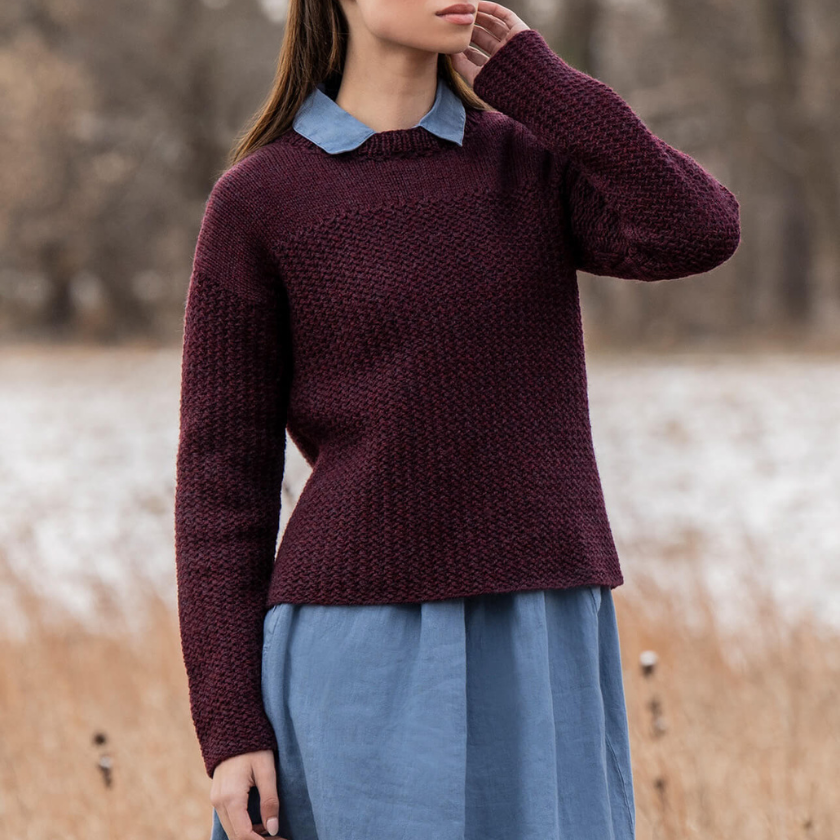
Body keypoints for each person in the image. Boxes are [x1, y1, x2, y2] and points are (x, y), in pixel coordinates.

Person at [173, 1, 741, 839]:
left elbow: (698, 228)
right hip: (359, 644)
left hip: (539, 633)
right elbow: (221, 486)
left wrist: (540, 84)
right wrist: (230, 728)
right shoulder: (262, 200)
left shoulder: (529, 163)